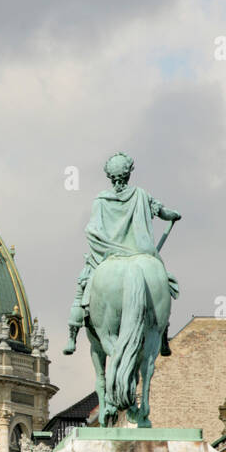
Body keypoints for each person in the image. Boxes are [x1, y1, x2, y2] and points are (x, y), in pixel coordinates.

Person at [64, 152, 181, 355]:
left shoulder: (101, 199)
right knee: (162, 281)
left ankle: (72, 336)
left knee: (82, 286)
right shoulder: (141, 195)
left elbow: (92, 230)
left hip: (107, 254)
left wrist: (107, 246)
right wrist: (174, 215)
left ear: (110, 177)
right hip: (140, 252)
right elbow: (164, 212)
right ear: (129, 174)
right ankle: (163, 339)